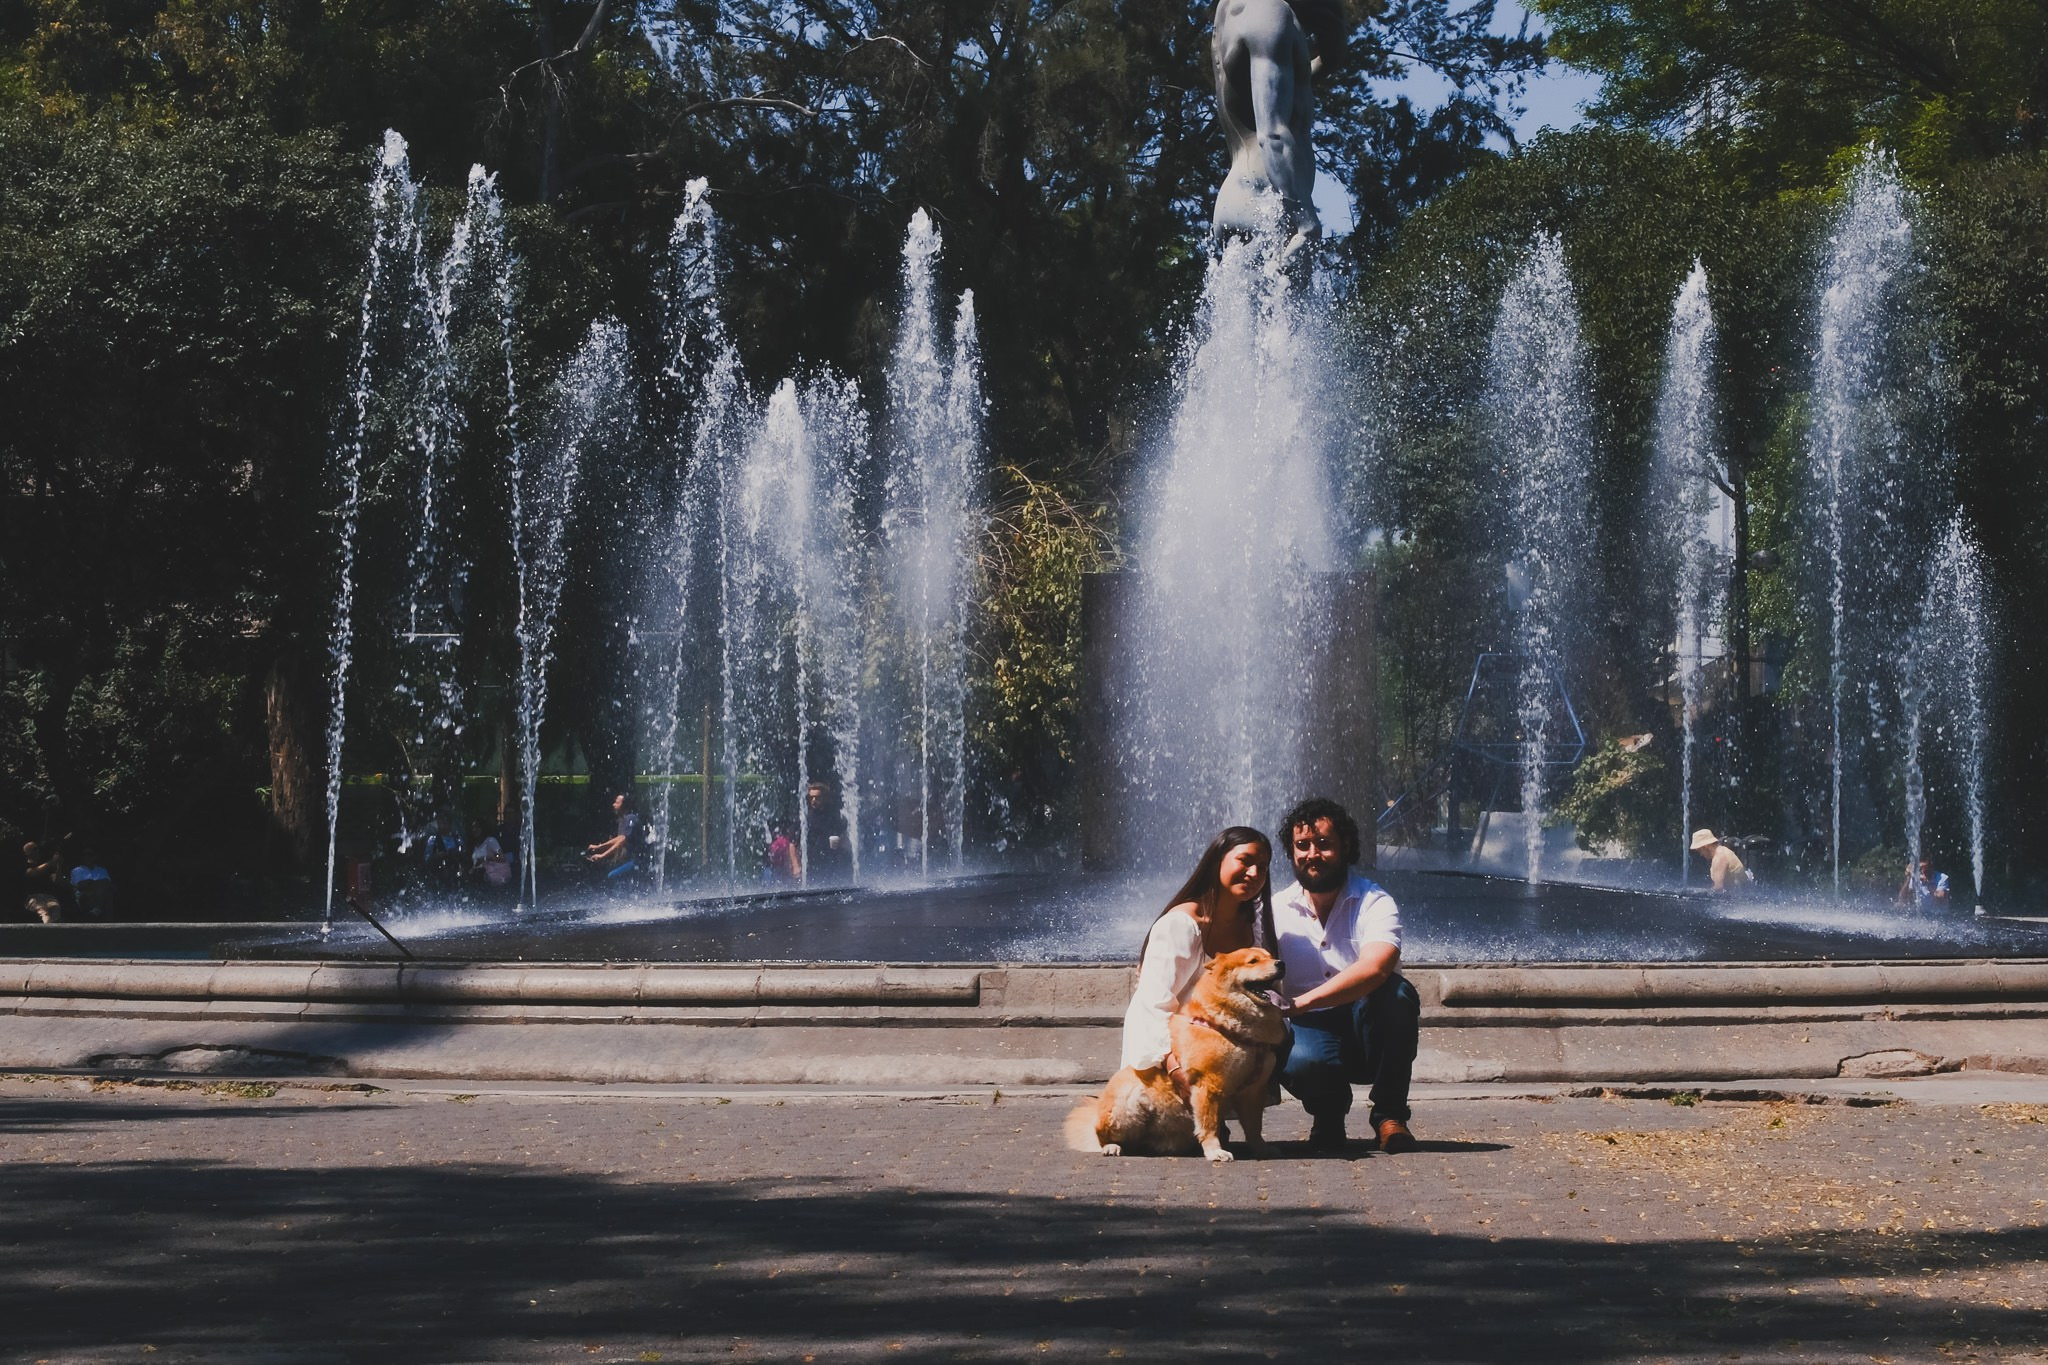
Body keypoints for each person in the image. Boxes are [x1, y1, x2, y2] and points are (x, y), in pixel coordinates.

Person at [1270, 797, 1421, 1154]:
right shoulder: (1274, 910)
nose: (1312, 854)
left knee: (1398, 994)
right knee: (1302, 1059)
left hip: (1364, 1026)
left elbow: (1376, 968)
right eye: (1302, 845)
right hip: (1310, 1029)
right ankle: (1328, 1117)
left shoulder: (1374, 901)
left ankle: (1389, 1116)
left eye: (1324, 843)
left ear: (1346, 847)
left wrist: (1302, 1002)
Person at [1120, 827, 1276, 1102]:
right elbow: (1153, 1007)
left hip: (1220, 1057)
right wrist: (1176, 1070)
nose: (1254, 873)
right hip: (1171, 1062)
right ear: (1217, 861)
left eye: (1262, 867)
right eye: (1245, 861)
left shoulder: (1254, 926)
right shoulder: (1181, 925)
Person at [584, 792, 642, 883]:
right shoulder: (623, 820)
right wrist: (599, 847)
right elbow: (619, 838)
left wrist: (602, 856)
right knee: (607, 874)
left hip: (637, 861)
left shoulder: (631, 818)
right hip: (630, 860)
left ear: (624, 806)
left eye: (617, 802)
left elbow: (622, 840)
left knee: (611, 876)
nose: (613, 804)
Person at [23, 840, 68, 924]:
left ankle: (51, 930)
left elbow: (58, 882)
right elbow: (33, 873)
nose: (37, 851)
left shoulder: (46, 866)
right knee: (44, 911)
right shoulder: (24, 865)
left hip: (49, 897)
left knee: (55, 909)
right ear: (27, 852)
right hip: (32, 898)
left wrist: (59, 865)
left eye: (37, 849)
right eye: (34, 849)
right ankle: (47, 930)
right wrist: (52, 861)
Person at [68, 850, 114, 920]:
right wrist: (97, 884)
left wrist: (90, 882)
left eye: (90, 855)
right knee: (100, 889)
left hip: (100, 895)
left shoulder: (102, 870)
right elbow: (80, 885)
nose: (87, 857)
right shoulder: (77, 870)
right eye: (85, 855)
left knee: (107, 893)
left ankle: (98, 911)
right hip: (84, 895)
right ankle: (98, 909)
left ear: (95, 857)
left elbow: (108, 884)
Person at [469, 822, 513, 893]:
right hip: (478, 878)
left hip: (492, 878)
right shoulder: (474, 844)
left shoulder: (490, 841)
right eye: (473, 828)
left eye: (477, 827)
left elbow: (501, 856)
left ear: (483, 828)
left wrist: (485, 858)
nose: (474, 830)